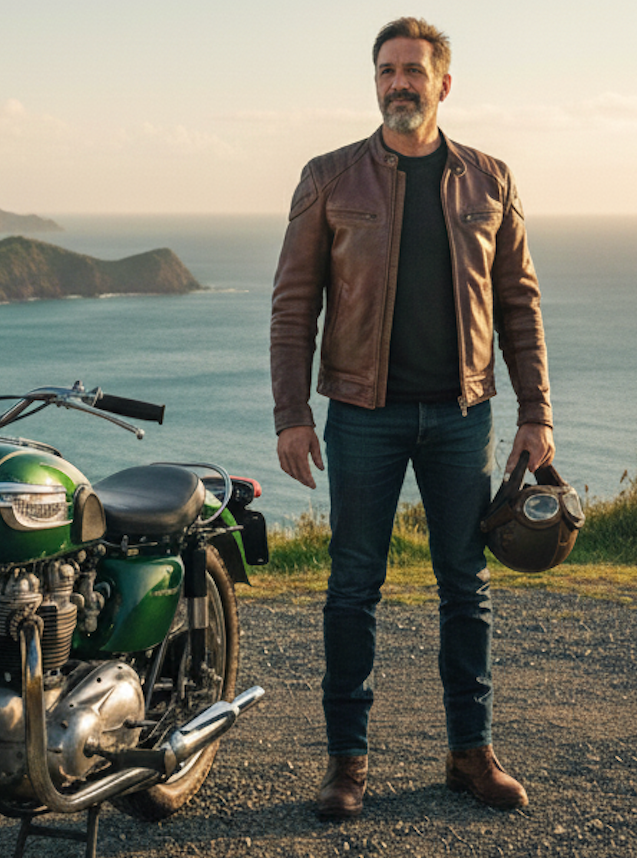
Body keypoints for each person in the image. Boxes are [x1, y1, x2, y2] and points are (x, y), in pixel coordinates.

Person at [269, 16, 553, 818]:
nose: (400, 83)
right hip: (363, 415)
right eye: (387, 70)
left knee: (467, 588)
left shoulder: (491, 179)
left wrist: (537, 413)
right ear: (376, 82)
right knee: (352, 589)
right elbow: (295, 306)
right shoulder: (329, 177)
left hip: (465, 414)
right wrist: (292, 415)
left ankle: (472, 754)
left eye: (414, 70)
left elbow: (519, 305)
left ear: (443, 83)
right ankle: (346, 766)